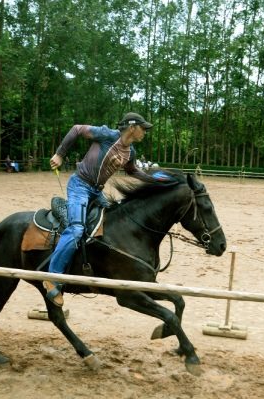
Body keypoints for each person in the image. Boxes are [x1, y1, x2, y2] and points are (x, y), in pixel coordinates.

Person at [43, 112, 171, 307]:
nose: (144, 132)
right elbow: (77, 128)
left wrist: (155, 179)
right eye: (143, 128)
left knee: (118, 219)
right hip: (79, 185)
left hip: (96, 191)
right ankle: (53, 278)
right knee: (77, 229)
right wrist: (60, 154)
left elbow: (133, 171)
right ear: (132, 127)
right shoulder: (106, 135)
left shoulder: (131, 152)